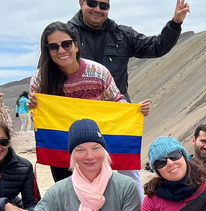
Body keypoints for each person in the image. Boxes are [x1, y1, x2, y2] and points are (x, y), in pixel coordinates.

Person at [28, 21, 150, 186]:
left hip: (94, 146)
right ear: (48, 51)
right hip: (62, 147)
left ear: (76, 46)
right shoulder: (40, 78)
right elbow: (39, 119)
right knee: (69, 191)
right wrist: (34, 108)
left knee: (100, 190)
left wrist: (133, 111)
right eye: (54, 47)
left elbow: (116, 101)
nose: (61, 50)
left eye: (66, 44)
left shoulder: (98, 72)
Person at [67, 0, 188, 100]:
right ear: (81, 3)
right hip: (78, 109)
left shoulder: (122, 35)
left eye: (103, 6)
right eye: (92, 3)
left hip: (116, 108)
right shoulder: (65, 37)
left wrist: (175, 23)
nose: (98, 9)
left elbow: (157, 47)